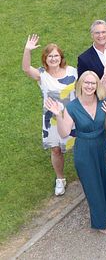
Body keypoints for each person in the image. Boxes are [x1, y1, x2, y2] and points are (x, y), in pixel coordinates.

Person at [44, 72, 106, 234]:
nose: (89, 86)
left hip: (103, 145)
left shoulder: (104, 103)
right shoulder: (72, 107)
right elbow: (64, 132)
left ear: (97, 85)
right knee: (92, 185)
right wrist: (58, 115)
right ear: (80, 84)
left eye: (92, 83)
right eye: (86, 83)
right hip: (85, 150)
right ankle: (100, 221)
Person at [23, 35, 77, 196]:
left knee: (79, 147)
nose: (53, 59)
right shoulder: (42, 75)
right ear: (45, 59)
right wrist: (27, 50)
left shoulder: (73, 72)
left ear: (61, 57)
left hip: (72, 117)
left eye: (56, 55)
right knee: (55, 150)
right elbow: (26, 68)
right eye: (50, 56)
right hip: (51, 120)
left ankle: (85, 174)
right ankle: (60, 179)